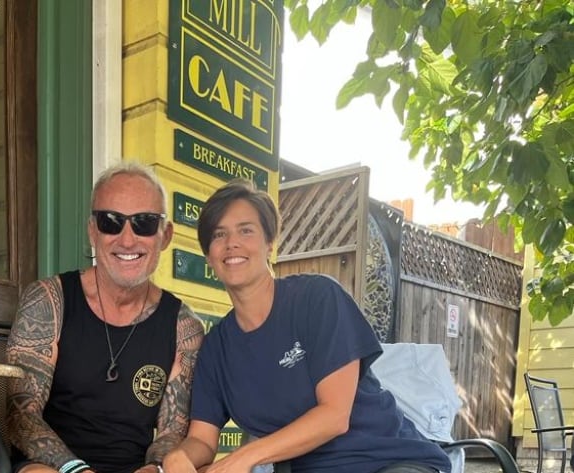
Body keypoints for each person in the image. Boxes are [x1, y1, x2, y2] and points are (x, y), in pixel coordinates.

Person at [163, 179, 451, 473]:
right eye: (219, 235)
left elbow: (334, 416)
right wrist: (178, 458)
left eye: (246, 230)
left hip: (386, 461)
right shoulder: (216, 349)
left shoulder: (317, 299)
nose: (232, 243)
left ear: (269, 243)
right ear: (209, 256)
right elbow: (202, 438)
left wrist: (246, 456)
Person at [7, 162, 205, 473]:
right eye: (111, 221)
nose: (127, 240)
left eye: (145, 223)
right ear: (92, 231)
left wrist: (155, 468)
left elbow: (171, 431)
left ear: (164, 236)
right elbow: (21, 415)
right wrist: (76, 469)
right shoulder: (49, 300)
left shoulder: (184, 326)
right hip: (54, 466)